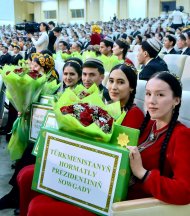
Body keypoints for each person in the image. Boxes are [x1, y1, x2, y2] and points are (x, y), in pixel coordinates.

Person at [16, 63, 144, 216]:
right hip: (83, 166)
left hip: (101, 182)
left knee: (37, 206)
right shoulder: (104, 104)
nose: (114, 87)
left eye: (121, 82)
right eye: (111, 81)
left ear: (131, 87)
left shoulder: (134, 114)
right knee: (26, 176)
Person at [0, 53, 58, 213]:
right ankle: (15, 194)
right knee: (25, 154)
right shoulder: (40, 82)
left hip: (48, 135)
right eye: (32, 64)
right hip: (34, 129)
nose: (33, 68)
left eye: (37, 65)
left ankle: (17, 196)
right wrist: (25, 110)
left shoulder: (54, 85)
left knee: (29, 154)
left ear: (46, 67)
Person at [127, 71, 190, 205]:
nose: (151, 101)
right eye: (148, 94)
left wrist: (142, 173)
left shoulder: (182, 135)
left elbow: (185, 191)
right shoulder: (147, 125)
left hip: (138, 206)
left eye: (160, 95)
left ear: (176, 100)